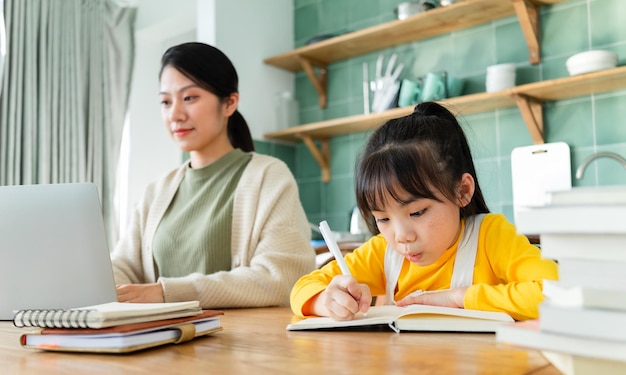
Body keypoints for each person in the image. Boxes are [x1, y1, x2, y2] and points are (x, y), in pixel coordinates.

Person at [290, 101, 558, 321]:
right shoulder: (384, 251)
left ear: (462, 191)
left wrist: (458, 298)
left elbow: (559, 293)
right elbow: (302, 288)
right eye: (383, 218)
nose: (401, 236)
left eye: (417, 213)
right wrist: (325, 301)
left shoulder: (490, 237)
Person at [112, 42, 315, 309]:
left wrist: (167, 293)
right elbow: (124, 265)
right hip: (162, 343)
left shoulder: (268, 176)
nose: (174, 114)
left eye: (189, 98)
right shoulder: (157, 191)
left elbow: (280, 278)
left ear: (229, 103)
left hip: (241, 345)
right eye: (165, 101)